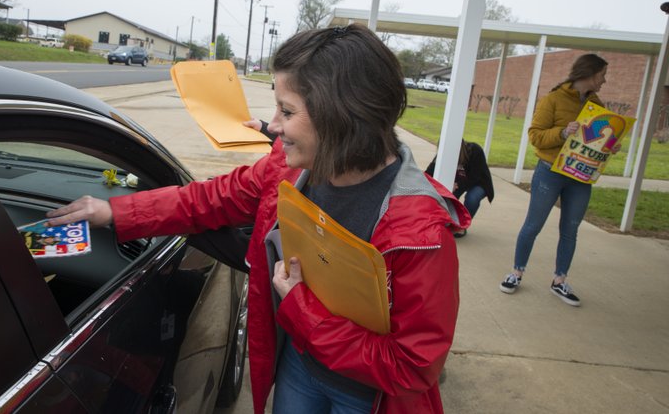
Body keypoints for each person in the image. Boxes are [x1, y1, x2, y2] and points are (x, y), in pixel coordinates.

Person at [47, 24, 470, 414]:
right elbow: (208, 200)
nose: (273, 126)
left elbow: (412, 367)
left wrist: (301, 309)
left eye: (286, 112)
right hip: (300, 366)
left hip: (367, 396)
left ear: (339, 119)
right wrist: (114, 211)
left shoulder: (422, 233)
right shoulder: (286, 168)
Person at [499, 53, 608, 307]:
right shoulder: (554, 99)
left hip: (580, 177)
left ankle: (560, 281)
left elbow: (596, 139)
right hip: (550, 172)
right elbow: (535, 136)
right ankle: (516, 273)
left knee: (570, 230)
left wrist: (608, 145)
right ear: (590, 74)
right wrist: (562, 132)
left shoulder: (597, 105)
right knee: (533, 225)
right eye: (602, 75)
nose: (604, 80)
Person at [425, 139, 494, 237]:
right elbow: (428, 174)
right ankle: (447, 221)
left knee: (472, 198)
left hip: (478, 182)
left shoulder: (475, 151)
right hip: (458, 182)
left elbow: (475, 177)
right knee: (444, 196)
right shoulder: (444, 152)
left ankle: (462, 226)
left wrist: (454, 186)